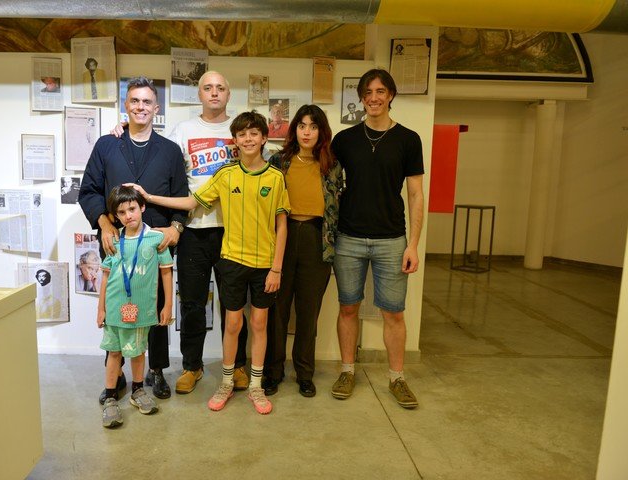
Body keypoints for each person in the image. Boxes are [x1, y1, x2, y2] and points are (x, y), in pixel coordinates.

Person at [126, 111, 290, 415]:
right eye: (242, 135)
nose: (249, 139)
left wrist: (277, 267)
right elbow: (191, 203)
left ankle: (255, 385)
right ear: (235, 141)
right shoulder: (225, 175)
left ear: (264, 138)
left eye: (255, 133)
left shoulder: (275, 177)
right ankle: (226, 382)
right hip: (232, 261)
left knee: (259, 323)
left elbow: (282, 225)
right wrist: (150, 196)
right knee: (233, 322)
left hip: (266, 265)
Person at [111, 71, 250, 395]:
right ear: (199, 94)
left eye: (220, 87)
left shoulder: (238, 131)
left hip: (233, 231)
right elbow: (153, 150)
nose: (214, 93)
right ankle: (192, 366)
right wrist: (119, 131)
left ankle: (238, 364)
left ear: (228, 94)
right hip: (194, 230)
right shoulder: (182, 131)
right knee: (191, 305)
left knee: (234, 304)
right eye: (207, 88)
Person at [79, 76, 189, 404]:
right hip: (117, 240)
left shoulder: (169, 151)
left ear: (156, 108)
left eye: (147, 102)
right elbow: (88, 191)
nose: (140, 107)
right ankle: (117, 373)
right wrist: (104, 223)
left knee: (154, 307)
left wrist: (176, 229)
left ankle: (156, 370)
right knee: (117, 306)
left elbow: (182, 197)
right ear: (126, 106)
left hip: (154, 244)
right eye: (134, 101)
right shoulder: (106, 145)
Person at [330, 68, 424, 409]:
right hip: (349, 239)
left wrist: (412, 244)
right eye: (368, 91)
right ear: (361, 98)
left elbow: (415, 195)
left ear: (391, 95)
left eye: (381, 91)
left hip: (391, 240)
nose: (374, 97)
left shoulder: (409, 139)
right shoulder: (344, 140)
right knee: (348, 307)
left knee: (393, 314)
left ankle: (397, 378)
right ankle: (347, 370)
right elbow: (327, 185)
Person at [263, 104, 343, 397]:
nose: (307, 131)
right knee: (277, 311)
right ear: (294, 129)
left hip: (316, 239)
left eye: (313, 126)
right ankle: (273, 371)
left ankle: (304, 374)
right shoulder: (278, 161)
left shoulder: (331, 165)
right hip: (282, 238)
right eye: (302, 125)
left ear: (321, 131)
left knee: (308, 313)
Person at [98, 186, 173, 428]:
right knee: (114, 353)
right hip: (114, 309)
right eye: (122, 212)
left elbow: (166, 273)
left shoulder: (156, 239)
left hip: (142, 310)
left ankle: (138, 391)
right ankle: (110, 397)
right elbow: (106, 277)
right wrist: (101, 308)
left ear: (142, 207)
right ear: (116, 216)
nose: (128, 215)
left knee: (139, 352)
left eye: (132, 209)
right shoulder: (114, 240)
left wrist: (168, 305)